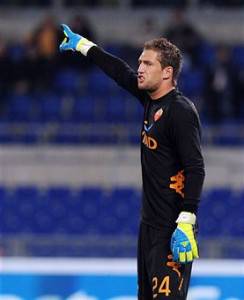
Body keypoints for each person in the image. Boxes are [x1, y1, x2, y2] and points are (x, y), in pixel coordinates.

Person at [59, 24, 205, 300]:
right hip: (148, 228)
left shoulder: (181, 112)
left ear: (167, 72)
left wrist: (187, 219)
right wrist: (84, 46)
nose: (140, 68)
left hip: (172, 230)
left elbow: (195, 167)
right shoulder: (151, 100)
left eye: (147, 63)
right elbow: (119, 72)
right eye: (140, 62)